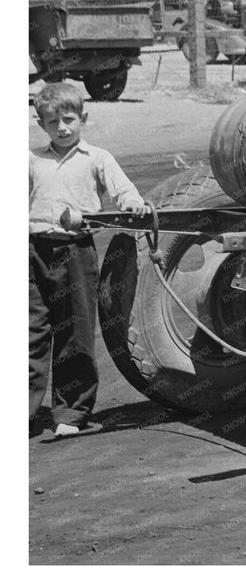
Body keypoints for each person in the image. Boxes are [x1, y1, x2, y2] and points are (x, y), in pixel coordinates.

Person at [29, 81, 148, 438]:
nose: (62, 128)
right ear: (41, 124)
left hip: (76, 253)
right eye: (53, 122)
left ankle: (71, 412)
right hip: (32, 252)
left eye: (68, 119)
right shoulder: (31, 159)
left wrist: (133, 203)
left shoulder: (98, 157)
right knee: (29, 334)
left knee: (76, 333)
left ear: (83, 118)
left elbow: (122, 190)